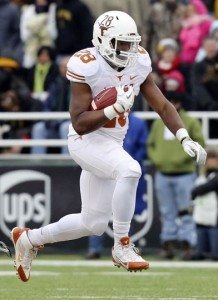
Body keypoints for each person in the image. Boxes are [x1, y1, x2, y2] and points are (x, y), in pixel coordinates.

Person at [11, 10, 207, 282]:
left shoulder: (138, 62)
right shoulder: (87, 64)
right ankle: (123, 244)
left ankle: (28, 239)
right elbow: (79, 123)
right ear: (103, 40)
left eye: (132, 43)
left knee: (92, 223)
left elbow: (162, 104)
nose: (129, 50)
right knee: (130, 169)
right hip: (86, 141)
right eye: (122, 44)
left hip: (112, 142)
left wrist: (184, 136)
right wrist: (113, 109)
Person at [147, 91, 205, 260]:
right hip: (163, 173)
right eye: (170, 101)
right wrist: (156, 159)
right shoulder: (159, 123)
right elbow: (151, 144)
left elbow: (199, 143)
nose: (173, 104)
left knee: (186, 211)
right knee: (166, 212)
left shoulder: (191, 122)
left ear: (181, 103)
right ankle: (168, 244)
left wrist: (184, 158)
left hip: (185, 173)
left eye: (175, 101)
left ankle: (188, 245)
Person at [86, 113, 149, 259]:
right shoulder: (104, 117)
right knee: (97, 208)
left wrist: (129, 163)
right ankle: (94, 247)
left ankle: (125, 247)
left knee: (126, 210)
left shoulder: (138, 123)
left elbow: (143, 147)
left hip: (125, 171)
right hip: (104, 169)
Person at [191, 147, 218, 260]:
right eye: (208, 159)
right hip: (201, 219)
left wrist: (196, 191)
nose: (210, 162)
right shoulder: (201, 178)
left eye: (213, 158)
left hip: (215, 222)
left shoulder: (214, 178)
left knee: (215, 254)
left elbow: (208, 186)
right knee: (199, 254)